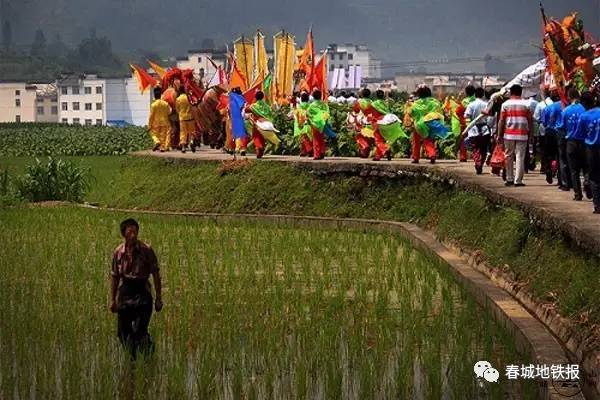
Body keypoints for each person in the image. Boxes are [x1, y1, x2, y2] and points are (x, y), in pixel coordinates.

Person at [110, 219, 163, 358]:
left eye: (135, 231)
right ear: (124, 234)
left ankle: (147, 356)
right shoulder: (118, 252)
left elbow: (156, 274)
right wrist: (113, 300)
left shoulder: (146, 250)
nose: (133, 235)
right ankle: (132, 359)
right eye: (130, 232)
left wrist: (158, 298)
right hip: (126, 292)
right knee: (123, 333)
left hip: (142, 292)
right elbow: (115, 277)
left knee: (140, 330)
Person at [498, 84, 533, 187]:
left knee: (508, 156)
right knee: (520, 157)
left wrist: (499, 134)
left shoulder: (505, 104)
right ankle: (518, 180)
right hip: (522, 134)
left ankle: (509, 179)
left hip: (508, 134)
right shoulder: (526, 104)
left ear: (511, 93)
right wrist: (531, 134)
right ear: (520, 92)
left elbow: (501, 121)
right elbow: (530, 120)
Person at [561, 87, 591, 201]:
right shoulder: (585, 109)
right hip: (584, 142)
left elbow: (560, 126)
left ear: (569, 97)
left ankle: (578, 194)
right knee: (586, 167)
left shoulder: (566, 111)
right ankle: (587, 182)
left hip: (571, 142)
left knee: (574, 170)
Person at [408, 85, 448, 164]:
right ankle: (432, 154)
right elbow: (439, 111)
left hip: (419, 125)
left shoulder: (415, 104)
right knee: (428, 140)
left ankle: (416, 158)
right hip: (430, 123)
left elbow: (411, 113)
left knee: (416, 141)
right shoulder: (434, 102)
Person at [577, 91, 600, 213]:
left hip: (591, 148)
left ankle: (597, 205)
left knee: (594, 176)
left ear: (584, 103)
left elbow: (580, 135)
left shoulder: (584, 117)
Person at [541, 90, 568, 188]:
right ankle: (561, 180)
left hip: (549, 133)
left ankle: (548, 169)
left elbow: (543, 123)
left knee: (548, 155)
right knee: (560, 156)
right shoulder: (565, 107)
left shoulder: (547, 108)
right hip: (561, 133)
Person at [464, 87, 490, 174]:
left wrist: (468, 127)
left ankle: (477, 162)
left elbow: (466, 116)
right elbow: (490, 118)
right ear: (483, 95)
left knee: (475, 148)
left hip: (473, 129)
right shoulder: (486, 104)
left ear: (475, 95)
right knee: (483, 148)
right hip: (485, 129)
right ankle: (480, 163)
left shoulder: (471, 105)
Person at [247, 91, 280, 159]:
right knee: (262, 137)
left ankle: (259, 147)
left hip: (257, 122)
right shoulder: (267, 106)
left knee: (256, 136)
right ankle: (260, 151)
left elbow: (247, 109)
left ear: (255, 97)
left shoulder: (254, 105)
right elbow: (271, 113)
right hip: (266, 122)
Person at [307, 90, 331, 160]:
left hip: (315, 124)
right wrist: (324, 120)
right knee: (321, 138)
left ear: (313, 97)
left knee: (316, 139)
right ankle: (322, 152)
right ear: (320, 96)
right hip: (322, 124)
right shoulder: (324, 104)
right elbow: (327, 113)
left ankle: (317, 154)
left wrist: (313, 120)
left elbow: (308, 114)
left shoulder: (311, 105)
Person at [456, 85, 476, 162]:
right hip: (475, 124)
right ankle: (476, 156)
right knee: (475, 140)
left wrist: (462, 119)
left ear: (466, 93)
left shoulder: (464, 102)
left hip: (465, 124)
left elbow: (458, 112)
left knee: (463, 140)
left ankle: (463, 157)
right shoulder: (476, 101)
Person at [148, 87, 171, 152]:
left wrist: (149, 125)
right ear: (160, 95)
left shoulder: (153, 105)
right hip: (164, 122)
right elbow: (169, 112)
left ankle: (157, 141)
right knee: (163, 135)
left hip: (156, 123)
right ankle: (162, 147)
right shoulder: (165, 104)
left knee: (153, 133)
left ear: (154, 96)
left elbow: (151, 116)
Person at [176, 85, 196, 153]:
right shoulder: (189, 97)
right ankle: (191, 142)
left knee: (183, 133)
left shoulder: (178, 99)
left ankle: (183, 147)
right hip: (191, 117)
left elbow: (177, 109)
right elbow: (193, 106)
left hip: (182, 118)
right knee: (192, 132)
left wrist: (180, 113)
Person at [294, 92, 312, 157]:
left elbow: (296, 114)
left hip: (302, 124)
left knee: (304, 138)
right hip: (310, 124)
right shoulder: (310, 106)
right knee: (307, 138)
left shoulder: (299, 107)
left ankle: (309, 149)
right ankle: (303, 152)